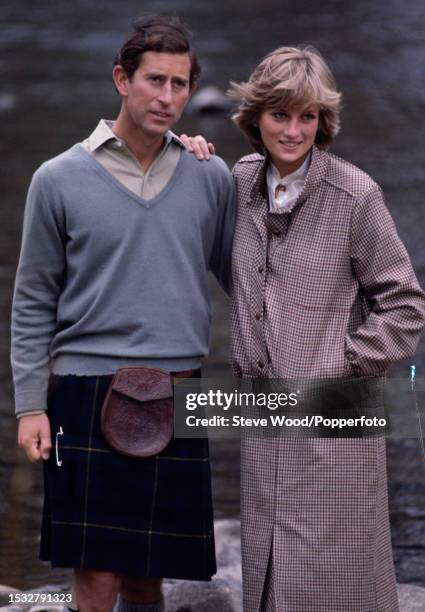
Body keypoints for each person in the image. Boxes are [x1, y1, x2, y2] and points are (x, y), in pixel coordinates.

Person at [183, 45, 425, 611]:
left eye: (308, 117)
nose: (294, 131)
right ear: (255, 117)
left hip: (334, 419)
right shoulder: (239, 182)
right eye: (280, 115)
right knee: (267, 575)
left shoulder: (355, 195)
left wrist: (339, 367)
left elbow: (406, 304)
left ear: (323, 120)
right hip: (261, 419)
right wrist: (187, 151)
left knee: (333, 580)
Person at [11, 15, 235, 612]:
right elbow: (32, 299)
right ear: (121, 79)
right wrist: (31, 405)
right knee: (98, 574)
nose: (167, 98)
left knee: (148, 576)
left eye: (180, 84)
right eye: (154, 80)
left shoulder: (209, 175)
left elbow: (245, 277)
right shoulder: (57, 179)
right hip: (84, 390)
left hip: (180, 389)